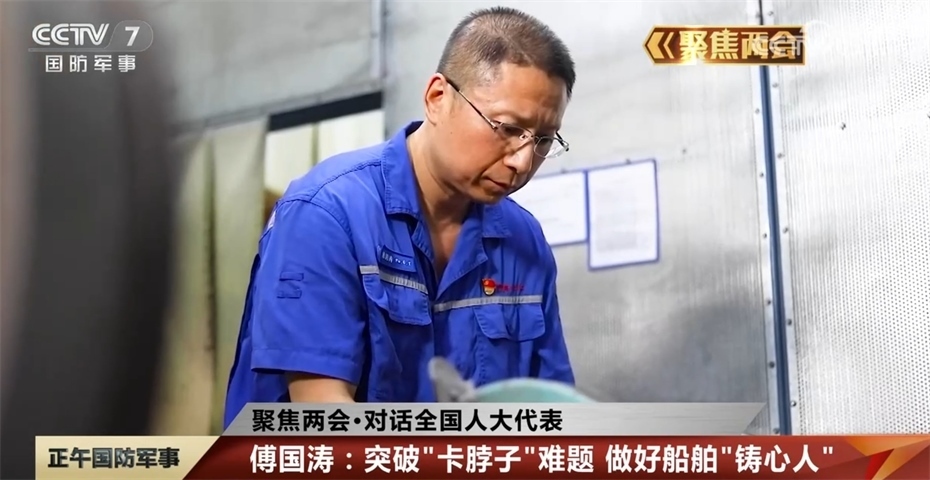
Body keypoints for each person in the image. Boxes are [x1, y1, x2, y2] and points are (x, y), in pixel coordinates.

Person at [224, 6, 576, 427]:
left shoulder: (523, 240)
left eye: (543, 140)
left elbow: (551, 412)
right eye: (506, 128)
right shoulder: (328, 213)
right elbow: (324, 415)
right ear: (438, 98)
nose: (522, 161)